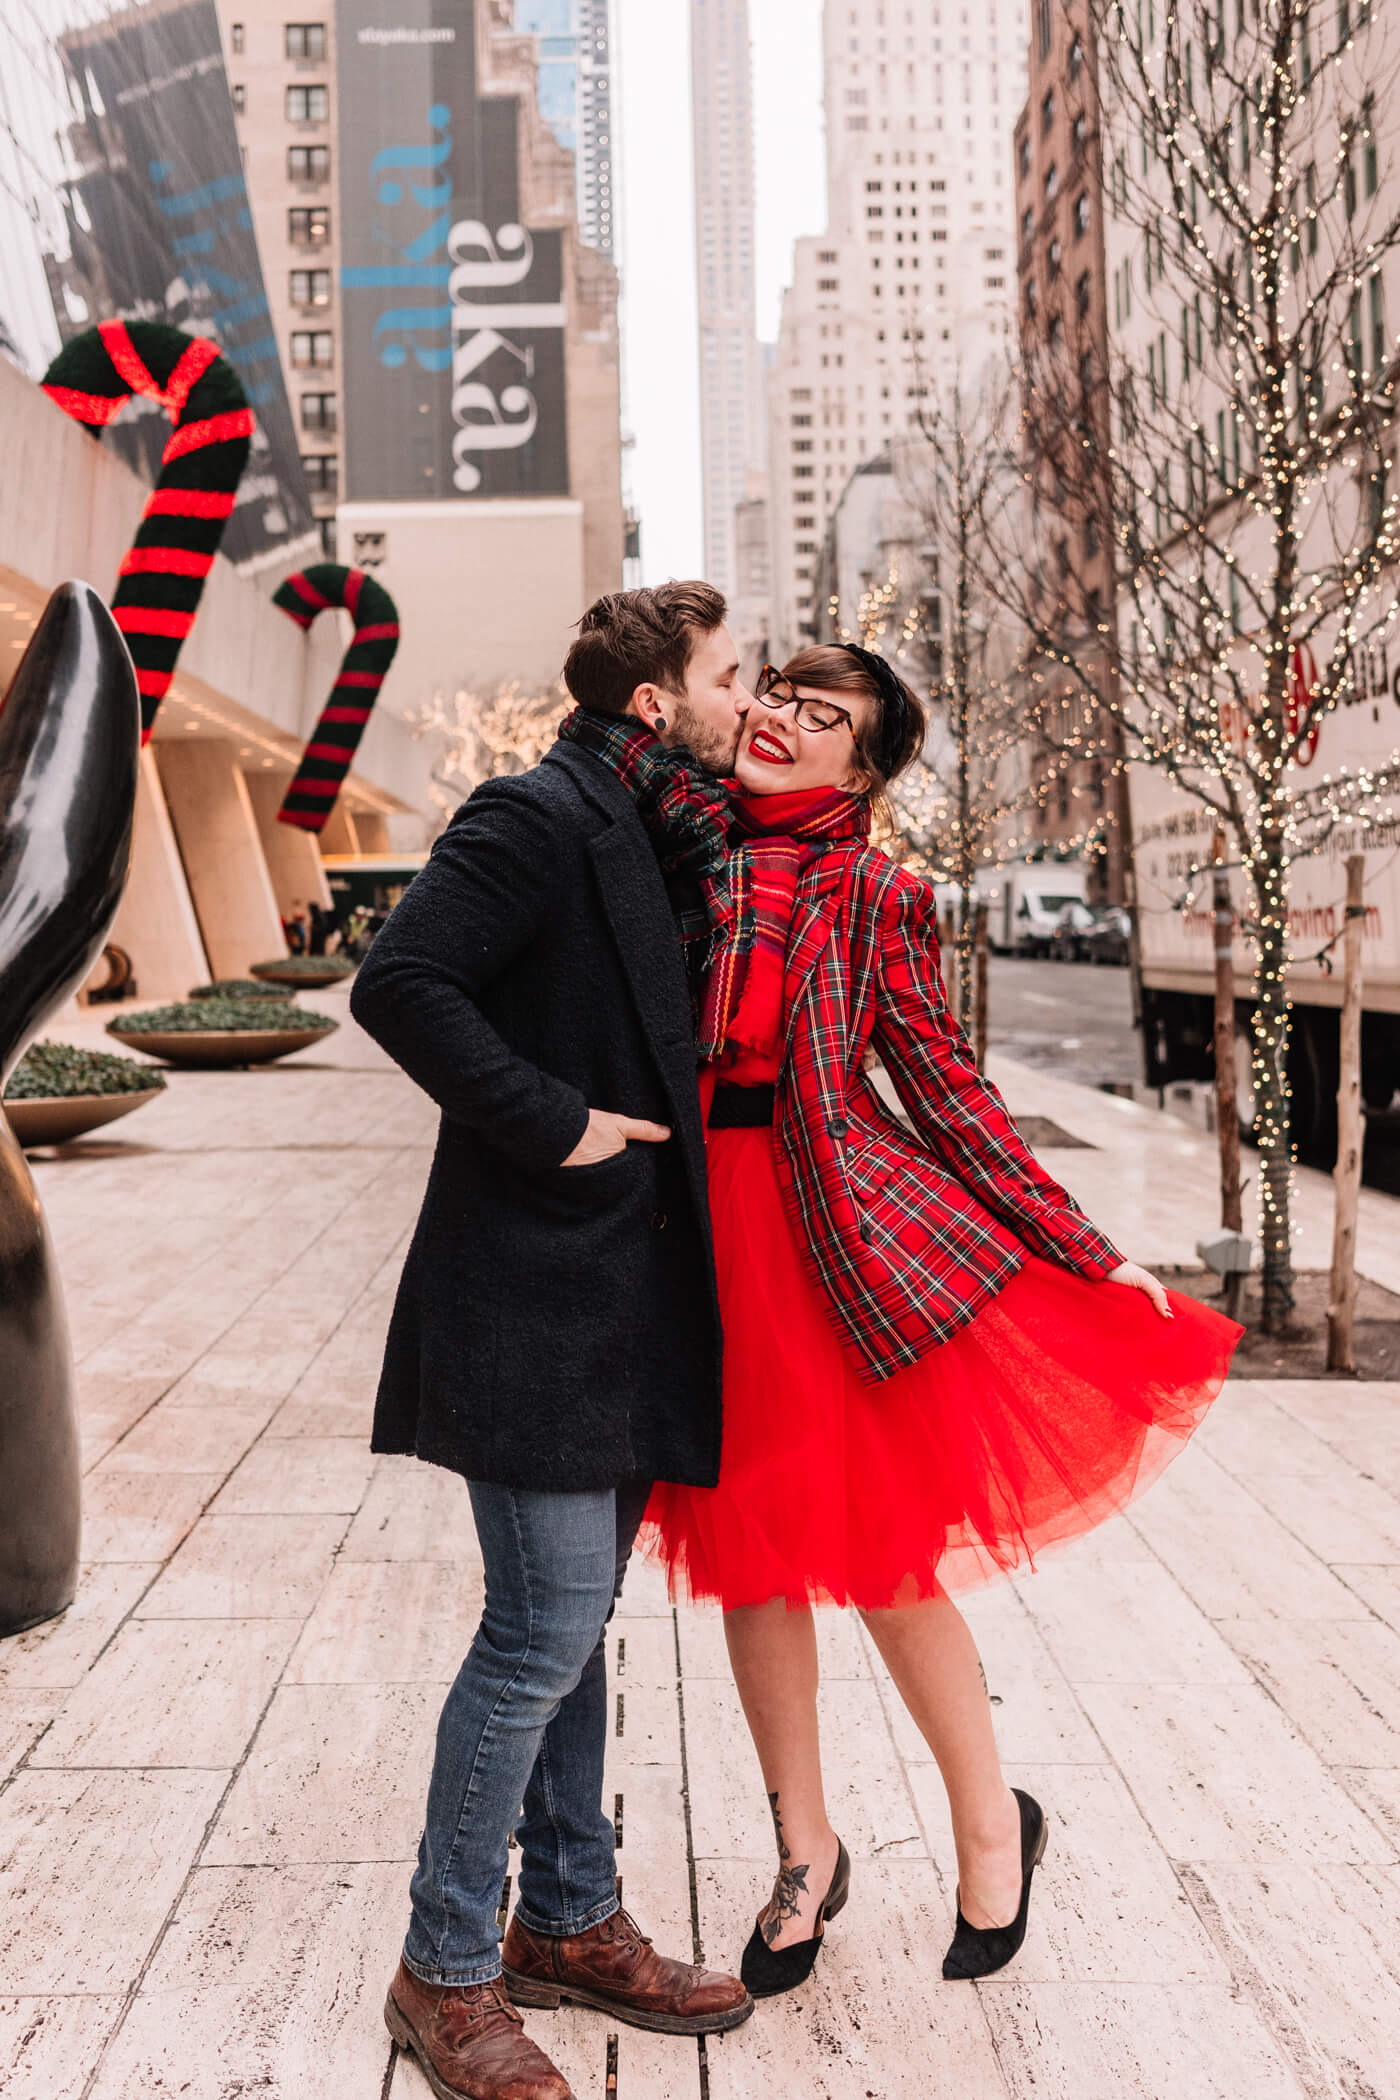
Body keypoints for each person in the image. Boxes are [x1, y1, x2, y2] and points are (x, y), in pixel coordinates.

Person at [640, 644, 1242, 1999]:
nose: (784, 722)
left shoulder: (877, 893)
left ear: (865, 766)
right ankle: (807, 1854)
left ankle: (990, 1827)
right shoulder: (683, 850)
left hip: (823, 1236)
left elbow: (951, 1095)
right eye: (779, 695)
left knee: (887, 1560)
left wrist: (1085, 1250)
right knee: (749, 1562)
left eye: (824, 716)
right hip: (693, 1238)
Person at [350, 583, 756, 2100]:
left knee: (571, 1628)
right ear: (655, 702)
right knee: (538, 1631)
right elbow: (399, 984)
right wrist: (555, 1123)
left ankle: (570, 1917)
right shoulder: (536, 816)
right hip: (529, 1289)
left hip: (625, 1302)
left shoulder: (665, 834)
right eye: (731, 671)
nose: (748, 690)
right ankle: (443, 1969)